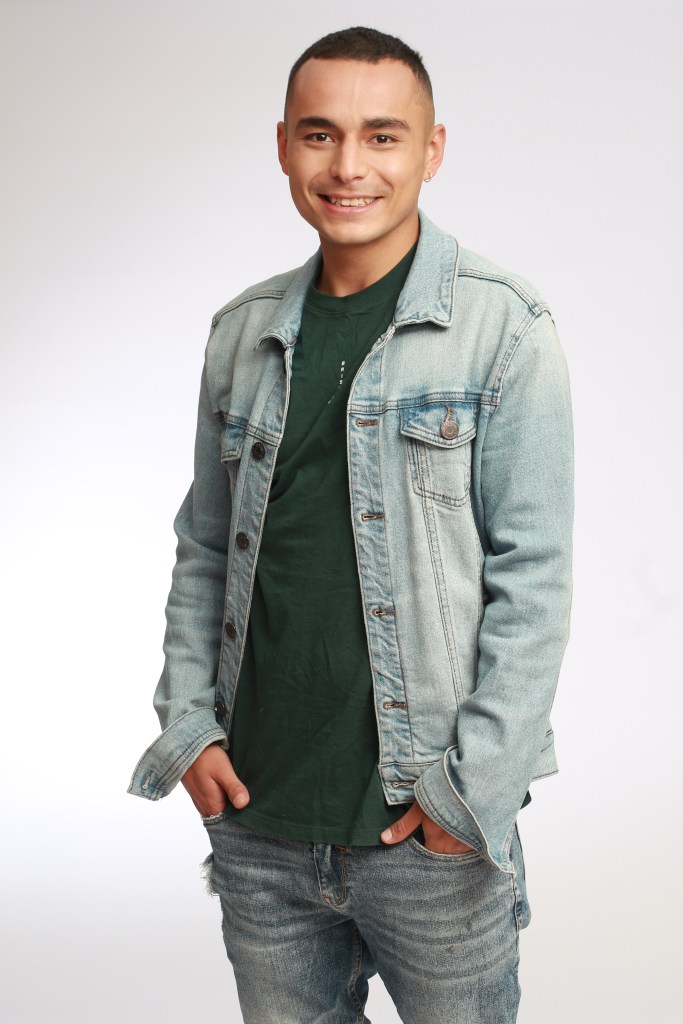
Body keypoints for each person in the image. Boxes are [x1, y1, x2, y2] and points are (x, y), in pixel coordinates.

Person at [129, 25, 573, 1024]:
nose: (347, 166)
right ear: (283, 145)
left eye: (382, 135)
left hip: (427, 832)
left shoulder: (503, 326)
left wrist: (471, 793)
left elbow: (534, 576)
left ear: (431, 149)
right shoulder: (241, 333)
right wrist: (188, 724)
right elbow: (205, 547)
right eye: (320, 134)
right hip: (260, 825)